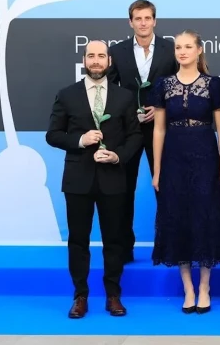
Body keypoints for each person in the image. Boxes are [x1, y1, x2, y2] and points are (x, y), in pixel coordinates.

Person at [45, 40, 143, 318]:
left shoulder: (124, 97)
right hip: (78, 179)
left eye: (101, 56)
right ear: (85, 61)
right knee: (78, 240)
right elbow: (53, 134)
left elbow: (136, 136)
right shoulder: (67, 95)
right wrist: (79, 139)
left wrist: (117, 156)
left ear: (109, 61)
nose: (96, 61)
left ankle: (113, 294)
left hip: (113, 178)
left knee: (114, 239)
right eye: (91, 56)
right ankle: (80, 296)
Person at [150, 30, 220, 315]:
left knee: (205, 218)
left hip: (206, 157)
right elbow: (159, 129)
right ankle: (188, 288)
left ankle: (205, 287)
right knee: (177, 219)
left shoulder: (214, 85)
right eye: (178, 47)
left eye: (188, 46)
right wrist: (157, 169)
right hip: (173, 158)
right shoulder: (163, 85)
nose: (182, 51)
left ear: (199, 50)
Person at [107, 0, 177, 263]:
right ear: (130, 22)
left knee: (166, 188)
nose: (143, 23)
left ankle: (168, 245)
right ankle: (124, 248)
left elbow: (180, 87)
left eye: (148, 18)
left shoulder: (171, 50)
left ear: (155, 21)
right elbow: (110, 91)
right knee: (123, 190)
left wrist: (162, 110)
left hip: (163, 129)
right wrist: (127, 113)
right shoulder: (118, 51)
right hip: (127, 131)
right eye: (138, 18)